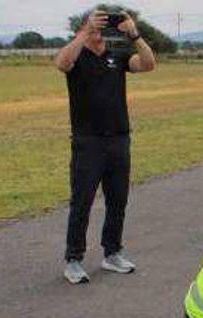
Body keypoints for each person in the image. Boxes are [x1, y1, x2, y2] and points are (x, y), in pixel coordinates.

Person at [56, 9, 156, 284]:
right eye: (95, 27)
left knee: (117, 200)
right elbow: (62, 63)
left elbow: (148, 64)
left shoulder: (117, 55)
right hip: (88, 141)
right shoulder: (77, 56)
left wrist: (134, 33)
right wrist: (84, 32)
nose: (100, 31)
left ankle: (112, 253)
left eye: (102, 27)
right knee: (82, 201)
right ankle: (73, 259)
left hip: (119, 139)